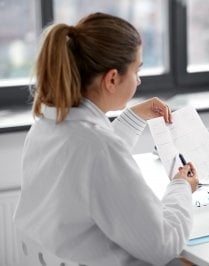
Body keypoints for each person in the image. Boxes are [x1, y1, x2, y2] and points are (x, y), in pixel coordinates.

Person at [13, 12, 199, 266]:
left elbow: (90, 158)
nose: (139, 79)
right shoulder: (98, 147)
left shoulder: (47, 125)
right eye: (137, 70)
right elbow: (163, 245)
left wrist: (134, 116)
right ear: (112, 78)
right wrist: (181, 188)